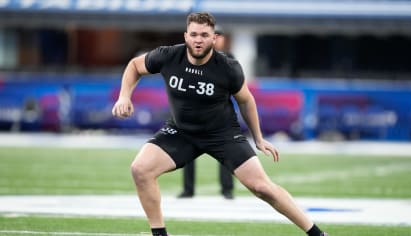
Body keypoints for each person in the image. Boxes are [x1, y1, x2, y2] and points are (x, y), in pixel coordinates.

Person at [112, 12, 328, 236]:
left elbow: (246, 100)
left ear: (214, 38)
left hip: (222, 134)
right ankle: (159, 234)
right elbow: (134, 66)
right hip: (181, 131)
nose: (198, 39)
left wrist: (259, 138)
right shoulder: (168, 55)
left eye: (204, 35)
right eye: (194, 34)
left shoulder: (228, 67)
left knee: (262, 188)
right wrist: (124, 96)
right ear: (186, 36)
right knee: (140, 169)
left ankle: (317, 233)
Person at [178, 25, 234, 200]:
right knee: (187, 150)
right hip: (195, 114)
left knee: (226, 153)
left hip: (219, 115)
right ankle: (188, 189)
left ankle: (227, 189)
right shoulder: (193, 57)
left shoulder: (229, 59)